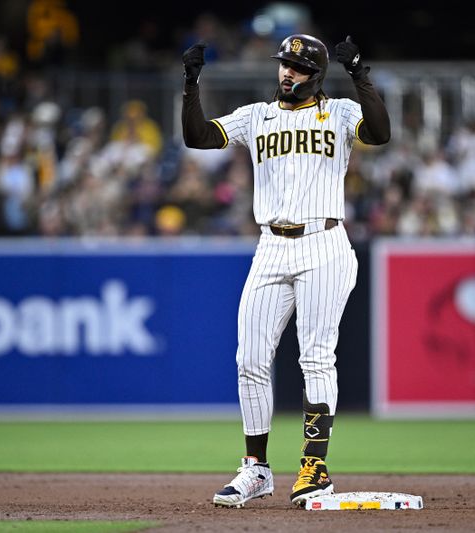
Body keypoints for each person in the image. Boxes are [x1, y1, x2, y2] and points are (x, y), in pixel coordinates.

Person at [181, 34, 390, 508]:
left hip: (324, 241)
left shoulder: (337, 112)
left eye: (296, 67)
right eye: (284, 64)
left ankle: (314, 467)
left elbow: (379, 133)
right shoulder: (257, 115)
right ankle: (255, 469)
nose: (286, 73)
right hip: (271, 244)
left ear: (315, 75)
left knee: (315, 357)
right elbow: (198, 136)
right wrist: (191, 84)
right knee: (250, 358)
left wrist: (360, 76)